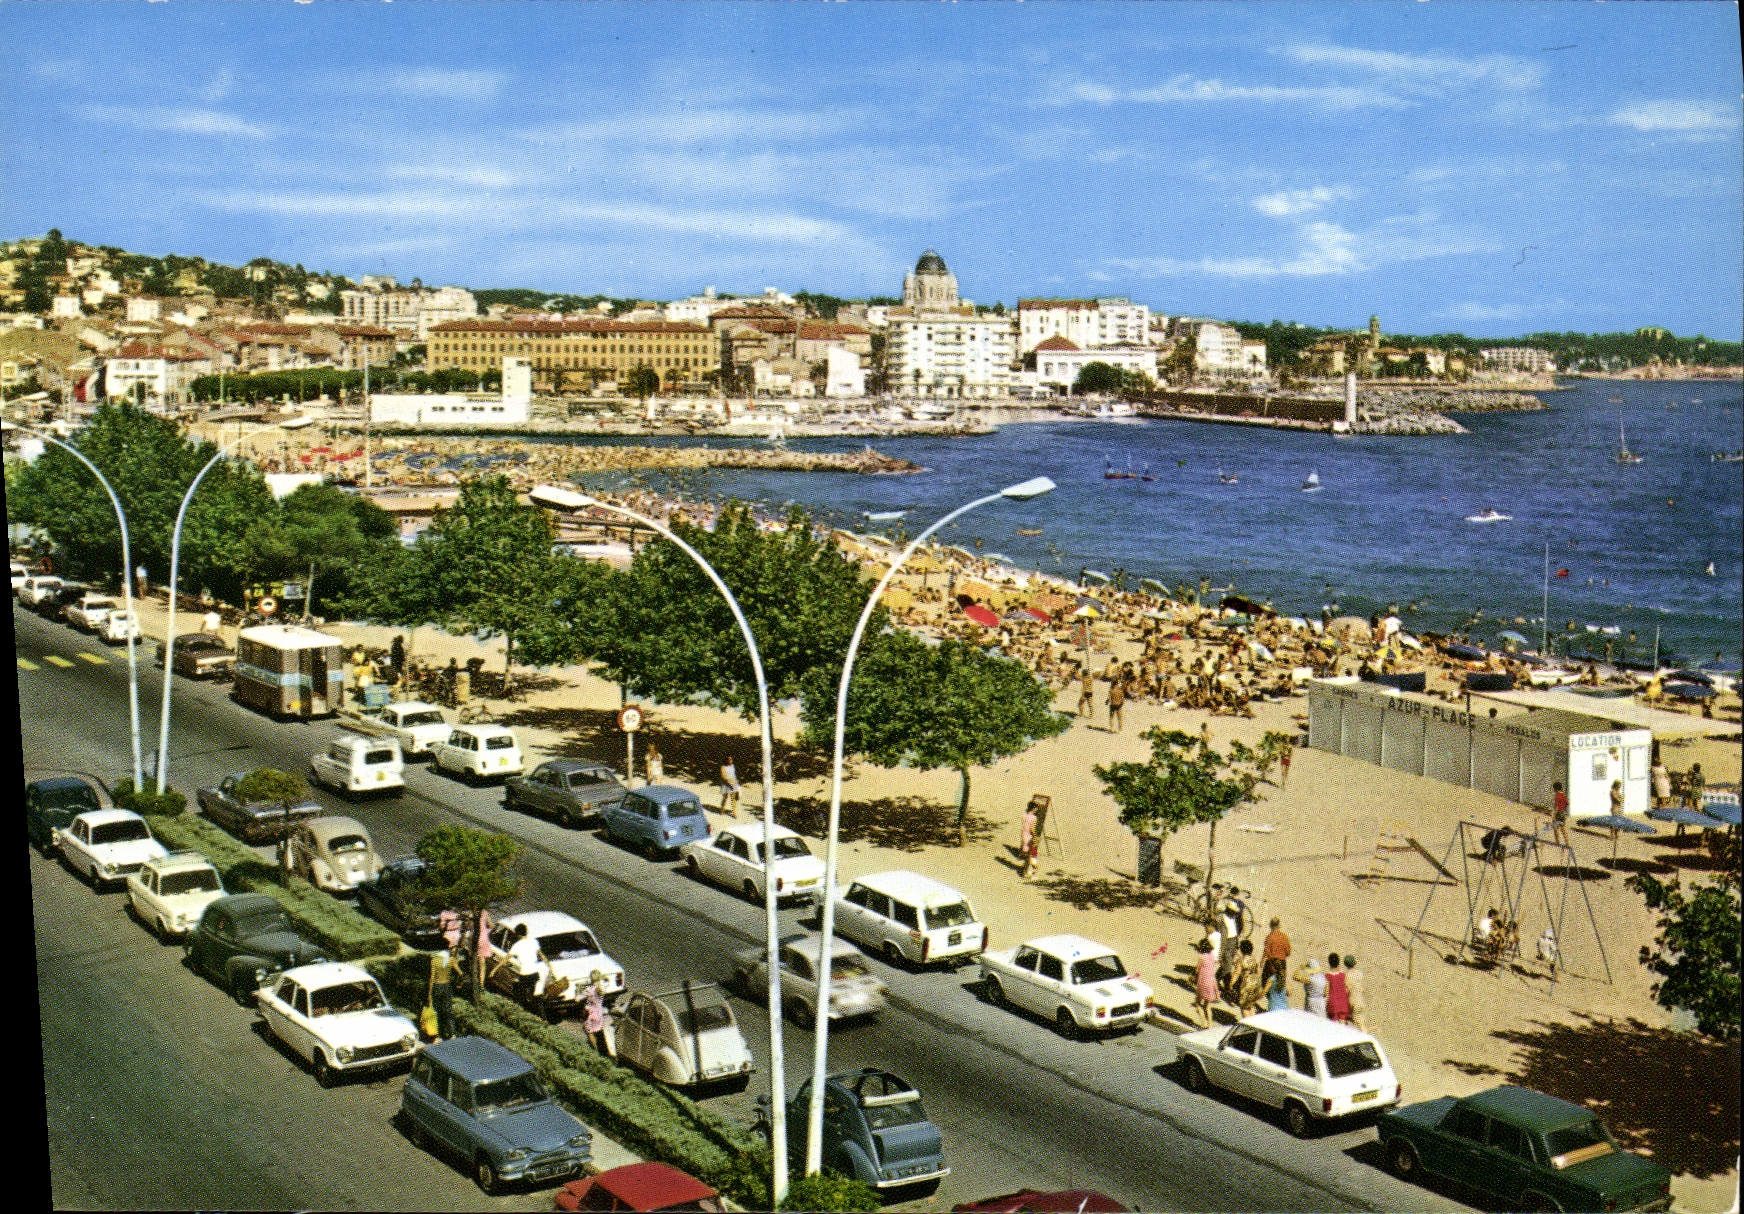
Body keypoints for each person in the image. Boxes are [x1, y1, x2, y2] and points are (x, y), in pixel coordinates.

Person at [1230, 939, 1263, 1018]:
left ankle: (1248, 1024)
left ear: (1241, 949)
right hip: (1255, 983)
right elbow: (1258, 972)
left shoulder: (1241, 960)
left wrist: (1231, 983)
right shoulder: (1255, 959)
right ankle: (1253, 1023)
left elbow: (1237, 973)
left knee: (1244, 1006)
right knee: (1251, 1005)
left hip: (1246, 984)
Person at [583, 971, 612, 1057]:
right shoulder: (601, 988)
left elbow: (581, 999)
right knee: (599, 1033)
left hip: (592, 1014)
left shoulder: (590, 990)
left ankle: (595, 1051)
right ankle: (604, 1052)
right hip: (599, 1014)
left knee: (588, 1031)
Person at [1193, 938, 1220, 1028]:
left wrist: (1193, 977)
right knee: (1207, 1006)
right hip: (1211, 983)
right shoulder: (1212, 956)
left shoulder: (1201, 957)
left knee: (1197, 1003)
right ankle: (1210, 1025)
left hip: (1202, 983)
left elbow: (1197, 970)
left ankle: (1204, 1022)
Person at [1341, 955, 1366, 1030]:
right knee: (1360, 1022)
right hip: (1360, 1000)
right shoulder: (1360, 974)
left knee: (1360, 1026)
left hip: (1353, 1002)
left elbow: (1346, 990)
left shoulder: (1347, 976)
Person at [1325, 953, 1351, 1023]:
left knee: (1334, 1026)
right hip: (1343, 1002)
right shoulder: (1343, 975)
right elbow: (1347, 989)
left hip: (1333, 1003)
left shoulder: (1327, 976)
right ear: (1338, 962)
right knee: (1343, 1025)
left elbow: (1326, 991)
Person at [1550, 781, 1571, 848]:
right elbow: (1567, 803)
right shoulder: (1564, 795)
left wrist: (1553, 815)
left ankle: (1557, 842)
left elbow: (1556, 807)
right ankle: (1567, 843)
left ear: (1556, 788)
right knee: (1563, 828)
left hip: (1558, 813)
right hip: (1563, 813)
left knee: (1555, 828)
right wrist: (1564, 809)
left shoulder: (1557, 796)